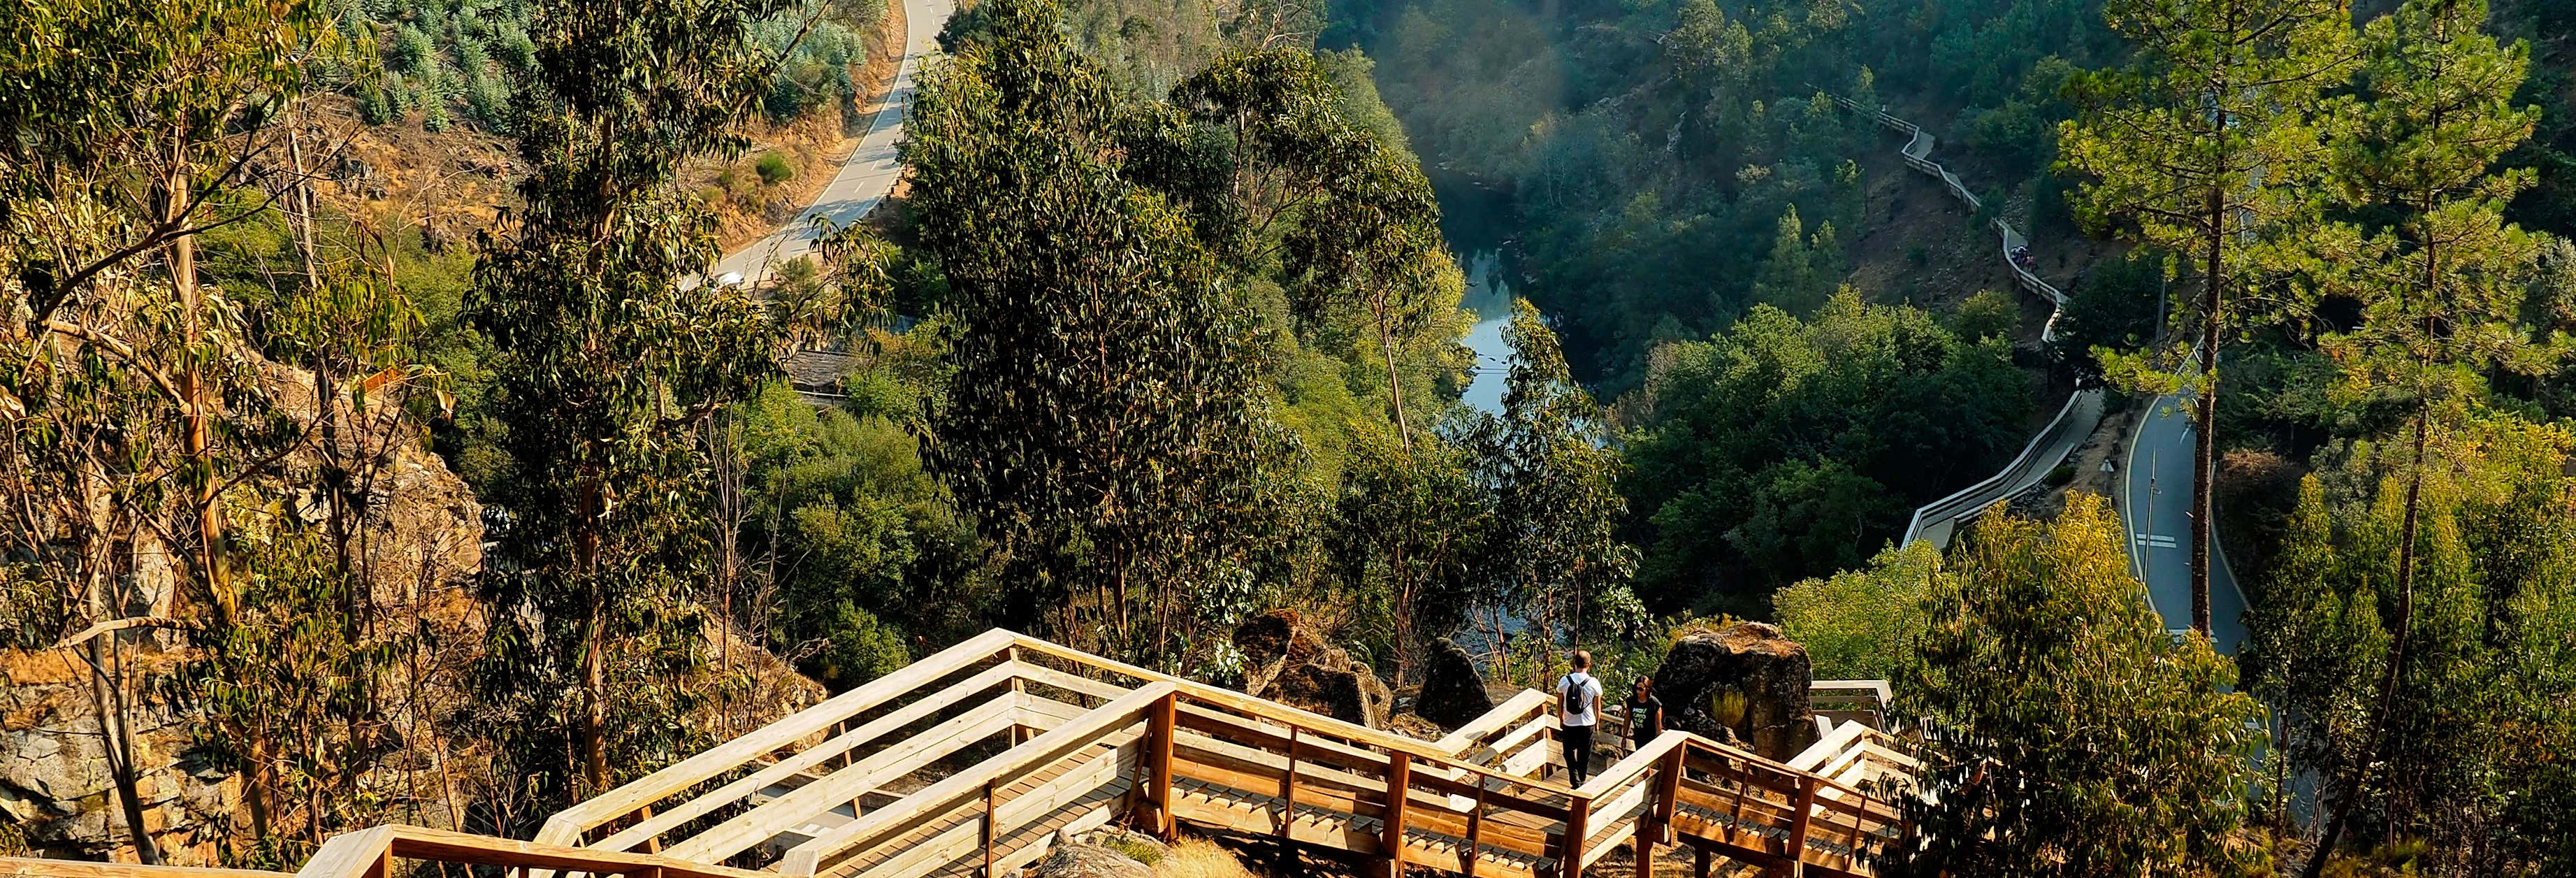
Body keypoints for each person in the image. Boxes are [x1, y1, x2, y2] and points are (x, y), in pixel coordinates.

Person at [1555, 650, 1604, 786]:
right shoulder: (1594, 683)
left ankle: (1575, 779)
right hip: (1588, 723)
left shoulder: (1565, 680)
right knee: (1584, 754)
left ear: (1574, 663)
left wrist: (1561, 718)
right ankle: (1581, 780)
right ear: (1589, 664)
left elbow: (1559, 702)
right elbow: (1598, 707)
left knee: (1568, 752)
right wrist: (1597, 723)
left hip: (1569, 723)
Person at [1626, 676, 1663, 750]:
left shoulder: (1654, 704)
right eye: (1636, 688)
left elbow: (1658, 724)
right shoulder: (1631, 701)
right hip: (1638, 737)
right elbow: (1627, 720)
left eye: (1641, 689)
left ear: (1647, 689)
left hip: (1651, 738)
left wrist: (1658, 742)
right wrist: (1624, 736)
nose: (1638, 692)